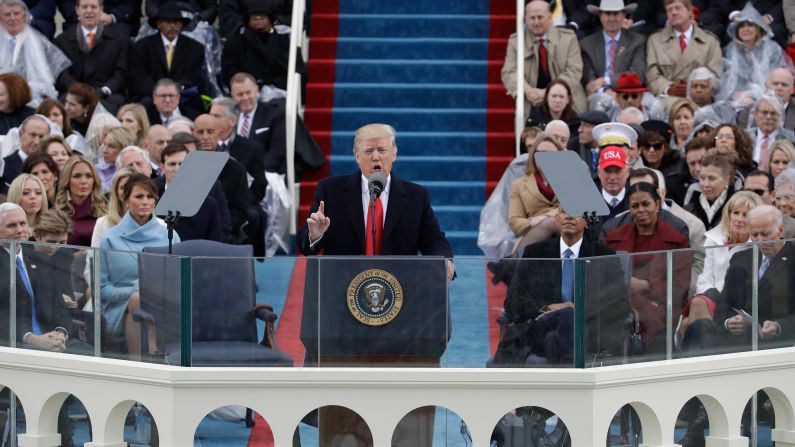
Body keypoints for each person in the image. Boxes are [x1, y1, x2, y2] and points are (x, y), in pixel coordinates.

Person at [299, 123, 455, 280]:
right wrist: (314, 235)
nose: (375, 157)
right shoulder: (330, 191)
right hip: (343, 285)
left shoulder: (416, 196)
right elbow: (305, 246)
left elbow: (433, 240)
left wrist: (444, 261)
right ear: (357, 156)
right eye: (368, 151)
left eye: (381, 150)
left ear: (394, 154)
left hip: (398, 288)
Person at [500, 208, 631, 365]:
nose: (569, 216)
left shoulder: (604, 256)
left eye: (576, 212)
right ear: (556, 218)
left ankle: (561, 358)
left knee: (556, 335)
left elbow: (621, 303)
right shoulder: (534, 253)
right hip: (540, 329)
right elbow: (512, 303)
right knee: (561, 323)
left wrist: (577, 311)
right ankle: (569, 365)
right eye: (564, 211)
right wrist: (548, 307)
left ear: (587, 222)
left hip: (587, 332)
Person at [604, 182, 691, 352]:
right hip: (619, 308)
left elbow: (680, 287)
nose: (640, 210)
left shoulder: (677, 240)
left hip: (664, 309)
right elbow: (604, 281)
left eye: (646, 204)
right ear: (629, 209)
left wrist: (646, 285)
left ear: (657, 204)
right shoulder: (613, 239)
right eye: (635, 206)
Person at [99, 173, 175, 360]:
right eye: (139, 196)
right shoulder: (110, 238)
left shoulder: (170, 235)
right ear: (126, 201)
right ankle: (139, 362)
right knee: (137, 299)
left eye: (150, 197)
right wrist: (134, 291)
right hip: (119, 308)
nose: (145, 202)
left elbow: (177, 280)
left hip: (165, 304)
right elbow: (101, 289)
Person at [0, 202, 91, 354]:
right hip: (14, 344)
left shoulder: (41, 259)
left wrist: (61, 334)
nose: (20, 230)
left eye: (23, 223)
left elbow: (60, 307)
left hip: (51, 339)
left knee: (89, 354)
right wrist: (30, 338)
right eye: (11, 225)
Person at [718, 205, 795, 346]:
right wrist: (729, 321)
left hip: (781, 344)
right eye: (754, 235)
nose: (760, 240)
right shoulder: (740, 258)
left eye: (765, 234)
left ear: (781, 230)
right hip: (739, 343)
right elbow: (723, 305)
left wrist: (779, 326)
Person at [501, 0, 587, 117]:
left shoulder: (568, 38)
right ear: (525, 19)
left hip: (566, 102)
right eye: (532, 18)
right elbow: (509, 72)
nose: (536, 22)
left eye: (540, 17)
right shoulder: (516, 41)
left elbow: (574, 70)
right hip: (531, 102)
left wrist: (549, 93)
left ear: (550, 17)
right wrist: (528, 91)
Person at [54, 0, 129, 114]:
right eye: (84, 7)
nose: (89, 11)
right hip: (72, 94)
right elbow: (62, 74)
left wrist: (104, 90)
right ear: (77, 10)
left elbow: (120, 74)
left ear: (101, 9)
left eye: (93, 7)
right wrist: (78, 90)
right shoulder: (62, 40)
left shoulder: (118, 40)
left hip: (106, 95)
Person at [645, 0, 722, 106]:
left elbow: (715, 75)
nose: (674, 12)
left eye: (678, 8)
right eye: (669, 10)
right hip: (667, 102)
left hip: (701, 102)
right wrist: (669, 88)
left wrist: (694, 87)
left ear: (690, 11)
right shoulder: (655, 40)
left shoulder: (710, 41)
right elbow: (652, 76)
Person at [719, 3, 791, 110]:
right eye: (741, 26)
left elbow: (778, 78)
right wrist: (735, 95)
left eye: (750, 25)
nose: (745, 29)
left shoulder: (772, 48)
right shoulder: (730, 50)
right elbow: (725, 80)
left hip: (770, 101)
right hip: (738, 102)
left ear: (758, 28)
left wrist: (759, 96)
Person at [128, 3, 207, 102]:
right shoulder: (142, 46)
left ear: (182, 24)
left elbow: (196, 77)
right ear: (159, 24)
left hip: (183, 98)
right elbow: (138, 77)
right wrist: (159, 91)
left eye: (176, 22)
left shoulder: (195, 48)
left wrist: (177, 88)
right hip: (150, 98)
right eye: (168, 22)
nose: (172, 26)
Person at [221, 0, 304, 91]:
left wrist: (272, 85)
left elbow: (297, 70)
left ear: (270, 19)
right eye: (254, 15)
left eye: (262, 15)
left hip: (281, 92)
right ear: (247, 19)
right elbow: (230, 72)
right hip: (247, 94)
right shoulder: (234, 44)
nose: (258, 18)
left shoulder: (285, 42)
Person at [0, 0, 71, 105]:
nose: (12, 18)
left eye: (16, 14)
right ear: (0, 19)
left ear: (25, 17)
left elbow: (51, 73)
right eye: (7, 15)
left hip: (31, 99)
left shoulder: (39, 41)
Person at [192, 114, 250, 241]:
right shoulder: (183, 165)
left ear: (218, 134)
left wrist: (218, 225)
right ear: (193, 134)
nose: (205, 137)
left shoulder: (235, 169)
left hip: (224, 231)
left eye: (210, 132)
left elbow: (240, 211)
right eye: (200, 132)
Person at [154, 142, 223, 242]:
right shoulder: (151, 199)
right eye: (172, 164)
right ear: (162, 167)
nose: (177, 169)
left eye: (182, 164)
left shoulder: (209, 204)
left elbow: (215, 244)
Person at [508, 132, 562, 255]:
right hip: (533, 236)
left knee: (553, 222)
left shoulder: (571, 180)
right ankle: (514, 264)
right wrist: (532, 223)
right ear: (533, 156)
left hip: (565, 233)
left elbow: (575, 210)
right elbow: (514, 221)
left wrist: (546, 218)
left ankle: (510, 266)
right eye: (540, 153)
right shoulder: (519, 184)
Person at [580, 0, 646, 96]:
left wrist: (606, 80)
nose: (611, 18)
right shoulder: (586, 44)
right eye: (607, 13)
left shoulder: (637, 41)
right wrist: (604, 92)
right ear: (600, 16)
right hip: (599, 95)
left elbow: (637, 75)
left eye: (616, 14)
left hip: (630, 95)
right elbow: (589, 81)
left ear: (623, 15)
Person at [228, 72, 288, 174]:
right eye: (240, 94)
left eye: (248, 93)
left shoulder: (275, 115)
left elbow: (277, 151)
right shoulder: (228, 118)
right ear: (232, 95)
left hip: (263, 174)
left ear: (256, 90)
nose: (245, 98)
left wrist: (253, 172)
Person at [55, 155, 107, 246]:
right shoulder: (56, 216)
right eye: (77, 176)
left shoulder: (105, 214)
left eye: (89, 176)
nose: (83, 181)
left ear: (94, 181)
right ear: (67, 180)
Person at [685, 147, 737, 230]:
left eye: (712, 178)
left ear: (726, 179)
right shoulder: (689, 209)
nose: (705, 184)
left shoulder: (738, 208)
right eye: (702, 178)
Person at [90, 166, 136, 247]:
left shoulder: (159, 225)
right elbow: (95, 257)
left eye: (130, 186)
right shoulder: (102, 224)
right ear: (116, 192)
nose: (127, 191)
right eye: (122, 188)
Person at [747, 94, 795, 171]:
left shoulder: (791, 139)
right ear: (755, 115)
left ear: (780, 116)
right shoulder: (744, 137)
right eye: (764, 112)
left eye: (773, 113)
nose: (769, 117)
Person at [2, 115, 49, 191]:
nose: (37, 141)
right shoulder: (4, 165)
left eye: (41, 137)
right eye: (33, 135)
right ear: (21, 134)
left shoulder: (51, 165)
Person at [568, 110, 609, 174]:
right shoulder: (571, 148)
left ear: (600, 130)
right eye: (580, 125)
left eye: (586, 126)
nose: (579, 130)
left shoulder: (612, 151)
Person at [97, 126, 136, 193]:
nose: (104, 150)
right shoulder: (95, 169)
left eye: (111, 146)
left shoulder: (132, 174)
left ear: (124, 149)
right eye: (104, 145)